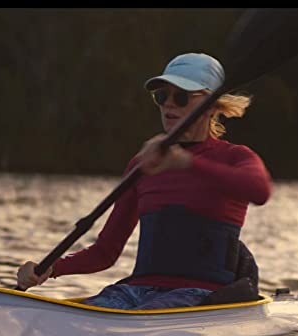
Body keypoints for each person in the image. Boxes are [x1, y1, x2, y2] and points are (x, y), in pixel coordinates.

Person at [16, 52, 272, 310]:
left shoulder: (234, 157)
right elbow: (105, 252)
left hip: (199, 296)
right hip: (135, 291)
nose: (168, 105)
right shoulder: (144, 164)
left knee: (140, 315)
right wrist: (52, 267)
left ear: (212, 106)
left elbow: (260, 190)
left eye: (181, 97)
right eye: (162, 96)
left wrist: (187, 163)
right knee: (90, 312)